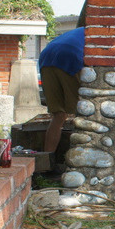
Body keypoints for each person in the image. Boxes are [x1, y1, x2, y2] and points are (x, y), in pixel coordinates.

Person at [38, 26, 85, 158]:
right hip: (72, 57)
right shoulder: (105, 33)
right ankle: (79, 161)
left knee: (58, 115)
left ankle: (46, 159)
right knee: (82, 113)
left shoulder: (79, 30)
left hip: (47, 57)